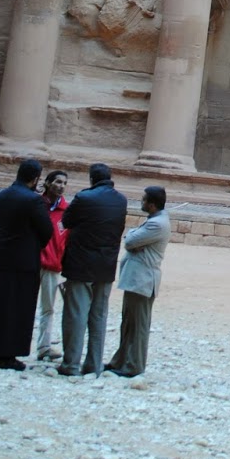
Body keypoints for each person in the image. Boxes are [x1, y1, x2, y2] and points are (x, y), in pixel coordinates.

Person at [0, 159, 54, 372]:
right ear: (36, 178)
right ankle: (7, 355)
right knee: (17, 308)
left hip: (0, 258)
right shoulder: (33, 200)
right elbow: (46, 230)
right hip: (24, 262)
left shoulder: (0, 196)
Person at [57, 162, 128, 379]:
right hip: (106, 265)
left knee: (76, 314)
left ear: (91, 179)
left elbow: (66, 221)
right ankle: (94, 364)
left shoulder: (84, 197)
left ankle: (71, 364)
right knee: (99, 316)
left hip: (81, 263)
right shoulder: (121, 200)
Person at [105, 185, 170, 379]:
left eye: (143, 199)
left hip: (142, 280)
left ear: (152, 204)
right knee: (128, 323)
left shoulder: (156, 224)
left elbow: (129, 241)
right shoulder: (155, 220)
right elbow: (133, 240)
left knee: (138, 325)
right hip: (137, 280)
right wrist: (133, 237)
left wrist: (132, 237)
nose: (141, 202)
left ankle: (134, 366)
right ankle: (121, 360)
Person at [35, 170, 68, 362]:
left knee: (48, 308)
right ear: (47, 183)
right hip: (32, 263)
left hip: (52, 265)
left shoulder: (66, 211)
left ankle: (44, 347)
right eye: (57, 182)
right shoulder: (36, 205)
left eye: (64, 183)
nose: (61, 186)